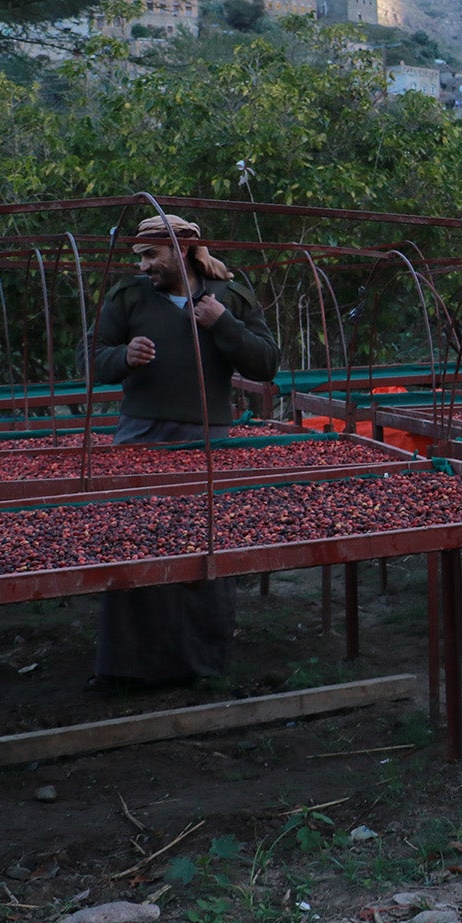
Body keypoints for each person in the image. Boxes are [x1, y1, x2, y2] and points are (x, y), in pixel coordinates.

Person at [90, 212, 280, 687]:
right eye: (140, 256)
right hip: (140, 435)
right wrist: (123, 357)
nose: (143, 265)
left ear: (183, 250)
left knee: (203, 549)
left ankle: (200, 666)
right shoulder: (129, 297)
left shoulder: (229, 296)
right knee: (134, 544)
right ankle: (127, 669)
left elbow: (267, 364)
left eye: (151, 255)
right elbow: (92, 357)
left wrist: (224, 325)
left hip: (207, 440)